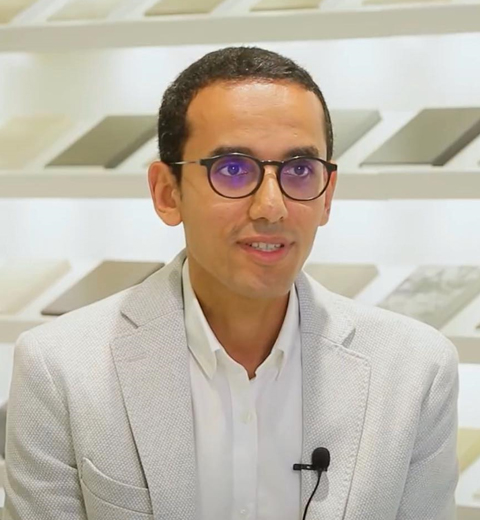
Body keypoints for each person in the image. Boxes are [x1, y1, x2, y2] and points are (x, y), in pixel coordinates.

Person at [2, 47, 458, 520]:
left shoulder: (415, 372)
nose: (271, 207)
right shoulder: (61, 369)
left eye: (300, 171)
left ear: (327, 198)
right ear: (167, 193)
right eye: (234, 170)